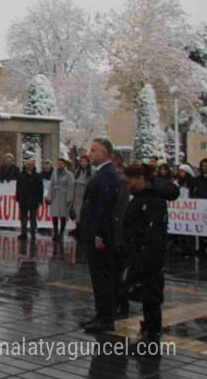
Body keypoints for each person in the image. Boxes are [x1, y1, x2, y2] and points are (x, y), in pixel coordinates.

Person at [121, 163, 179, 353]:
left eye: (130, 182)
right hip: (142, 253)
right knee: (147, 296)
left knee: (151, 296)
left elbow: (151, 232)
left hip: (149, 255)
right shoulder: (142, 196)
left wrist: (142, 257)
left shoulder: (152, 199)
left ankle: (152, 338)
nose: (128, 186)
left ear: (140, 179)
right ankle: (149, 335)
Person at [78, 138, 121, 333]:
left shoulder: (107, 176)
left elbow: (104, 210)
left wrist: (98, 236)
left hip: (100, 237)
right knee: (98, 277)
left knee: (102, 276)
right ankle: (101, 314)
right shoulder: (102, 174)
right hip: (95, 234)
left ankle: (106, 318)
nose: (90, 153)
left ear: (104, 153)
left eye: (94, 150)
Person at [111, 150, 131, 316]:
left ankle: (121, 303)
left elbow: (120, 210)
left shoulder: (121, 180)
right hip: (109, 232)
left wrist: (118, 238)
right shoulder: (112, 177)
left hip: (118, 234)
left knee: (118, 271)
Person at [15, 159, 43, 241]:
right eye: (27, 165)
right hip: (23, 200)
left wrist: (39, 200)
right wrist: (18, 198)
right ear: (25, 165)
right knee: (23, 218)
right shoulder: (21, 175)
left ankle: (33, 233)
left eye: (30, 165)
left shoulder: (37, 176)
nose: (28, 166)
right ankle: (23, 233)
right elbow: (18, 188)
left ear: (33, 166)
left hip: (33, 200)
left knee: (33, 218)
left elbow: (40, 189)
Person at [48, 158, 73, 242]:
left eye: (61, 164)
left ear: (64, 165)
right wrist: (49, 196)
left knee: (63, 216)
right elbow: (51, 185)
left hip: (64, 196)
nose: (59, 165)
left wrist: (69, 198)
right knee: (54, 216)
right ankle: (55, 232)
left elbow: (71, 187)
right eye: (58, 163)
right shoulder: (54, 173)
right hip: (55, 196)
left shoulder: (69, 174)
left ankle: (61, 233)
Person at [189, 159, 207, 257]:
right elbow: (192, 192)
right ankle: (201, 249)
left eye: (206, 166)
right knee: (201, 229)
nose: (204, 168)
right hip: (200, 206)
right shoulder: (196, 179)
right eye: (203, 166)